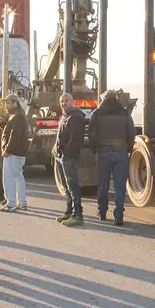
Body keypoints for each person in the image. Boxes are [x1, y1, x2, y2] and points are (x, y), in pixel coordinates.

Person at [88, 90, 134, 226]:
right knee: (120, 186)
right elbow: (131, 132)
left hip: (103, 153)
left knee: (103, 184)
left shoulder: (96, 114)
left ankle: (102, 212)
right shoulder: (125, 113)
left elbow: (92, 135)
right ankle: (118, 215)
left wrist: (95, 149)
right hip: (121, 153)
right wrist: (128, 148)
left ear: (103, 99)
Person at [54, 93, 86, 226]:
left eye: (67, 101)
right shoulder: (64, 116)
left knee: (73, 186)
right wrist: (55, 150)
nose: (64, 103)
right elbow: (60, 136)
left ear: (73, 102)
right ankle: (68, 211)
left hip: (69, 157)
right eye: (62, 101)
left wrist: (66, 153)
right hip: (60, 156)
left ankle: (77, 215)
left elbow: (75, 139)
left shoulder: (76, 117)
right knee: (66, 186)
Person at [0, 94, 29, 212]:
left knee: (9, 177)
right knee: (18, 177)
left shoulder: (17, 117)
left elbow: (15, 136)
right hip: (18, 152)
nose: (6, 106)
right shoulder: (18, 116)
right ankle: (21, 202)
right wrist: (3, 124)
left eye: (8, 103)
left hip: (14, 153)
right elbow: (11, 133)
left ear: (15, 104)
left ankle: (11, 204)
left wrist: (7, 150)